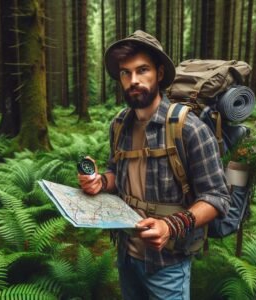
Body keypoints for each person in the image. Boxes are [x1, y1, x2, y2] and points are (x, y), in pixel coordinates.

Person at [78, 30, 231, 300]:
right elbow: (117, 172)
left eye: (142, 70)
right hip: (126, 254)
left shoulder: (189, 129)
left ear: (159, 74)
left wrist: (170, 226)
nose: (133, 80)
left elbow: (217, 198)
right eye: (126, 73)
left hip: (167, 263)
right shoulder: (119, 125)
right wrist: (100, 182)